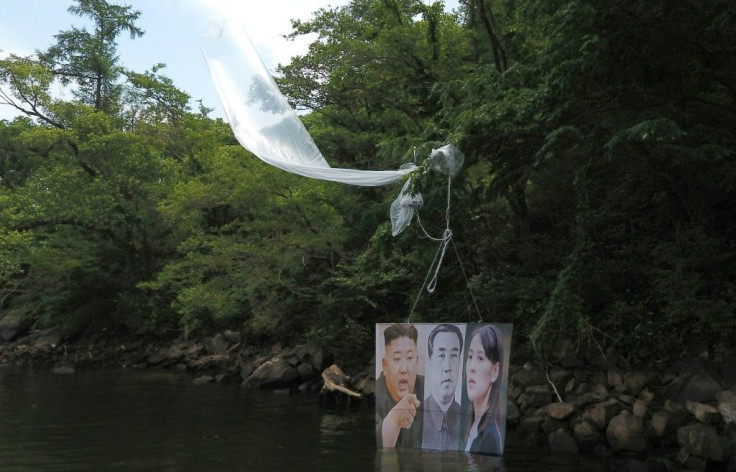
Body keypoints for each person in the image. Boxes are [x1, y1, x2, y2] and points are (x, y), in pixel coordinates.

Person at [375, 323, 424, 448]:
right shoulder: (374, 394)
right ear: (385, 365)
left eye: (409, 358)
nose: (404, 369)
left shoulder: (428, 388)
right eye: (397, 359)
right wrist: (394, 419)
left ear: (417, 362)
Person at [462, 324, 505, 455]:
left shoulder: (490, 436)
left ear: (495, 371)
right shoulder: (475, 426)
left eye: (480, 358)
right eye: (470, 357)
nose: (472, 367)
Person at [422, 324, 463, 450]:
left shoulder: (469, 421)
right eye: (441, 356)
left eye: (454, 356)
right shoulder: (414, 418)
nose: (448, 367)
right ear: (429, 364)